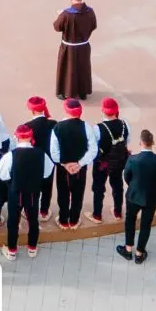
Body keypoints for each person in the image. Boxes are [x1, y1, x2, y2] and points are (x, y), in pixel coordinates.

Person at [0, 123, 54, 259]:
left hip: (15, 192)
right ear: (30, 137)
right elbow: (47, 173)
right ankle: (32, 248)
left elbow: (1, 174)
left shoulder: (10, 155)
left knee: (13, 221)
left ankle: (12, 250)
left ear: (17, 137)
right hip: (34, 192)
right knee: (33, 220)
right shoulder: (41, 154)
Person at [117, 129, 156, 263]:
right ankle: (139, 253)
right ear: (153, 142)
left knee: (130, 220)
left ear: (140, 143)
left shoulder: (133, 159)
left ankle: (128, 249)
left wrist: (133, 186)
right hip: (152, 196)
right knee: (146, 224)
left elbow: (127, 176)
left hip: (134, 195)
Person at [49, 98, 97, 229]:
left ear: (66, 110)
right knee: (77, 194)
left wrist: (64, 164)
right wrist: (79, 164)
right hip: (79, 169)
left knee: (63, 194)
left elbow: (54, 151)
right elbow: (93, 149)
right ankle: (74, 220)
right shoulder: (86, 127)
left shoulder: (57, 127)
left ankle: (63, 220)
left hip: (63, 169)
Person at [53, 0, 98, 100]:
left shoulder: (66, 14)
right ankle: (83, 92)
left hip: (69, 47)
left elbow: (57, 27)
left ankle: (65, 92)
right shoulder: (90, 11)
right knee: (83, 68)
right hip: (84, 46)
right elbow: (94, 25)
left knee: (68, 69)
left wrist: (59, 15)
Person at [90, 98, 130, 222]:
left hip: (103, 164)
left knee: (98, 188)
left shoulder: (97, 128)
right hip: (119, 162)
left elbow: (93, 147)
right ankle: (117, 212)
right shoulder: (125, 124)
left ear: (103, 110)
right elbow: (127, 141)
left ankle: (97, 215)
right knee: (117, 185)